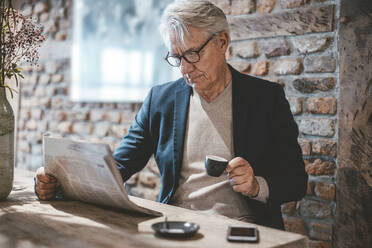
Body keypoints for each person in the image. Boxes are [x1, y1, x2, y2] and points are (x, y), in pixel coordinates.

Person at [35, 0, 308, 230]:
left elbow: (296, 180)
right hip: (175, 226)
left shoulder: (265, 99)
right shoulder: (160, 99)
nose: (185, 69)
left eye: (193, 54)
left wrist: (256, 185)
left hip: (241, 229)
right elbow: (118, 166)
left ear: (222, 42)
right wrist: (61, 183)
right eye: (177, 58)